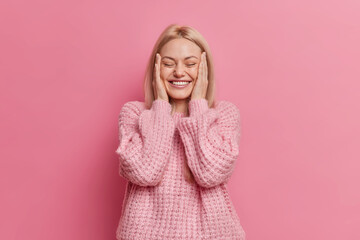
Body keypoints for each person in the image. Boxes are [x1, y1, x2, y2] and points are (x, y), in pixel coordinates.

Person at [115, 23, 246, 240]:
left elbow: (210, 173)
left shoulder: (224, 114)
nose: (178, 72)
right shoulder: (133, 114)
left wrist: (198, 105)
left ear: (204, 69)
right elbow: (146, 172)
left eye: (190, 63)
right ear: (156, 68)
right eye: (168, 63)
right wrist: (159, 107)